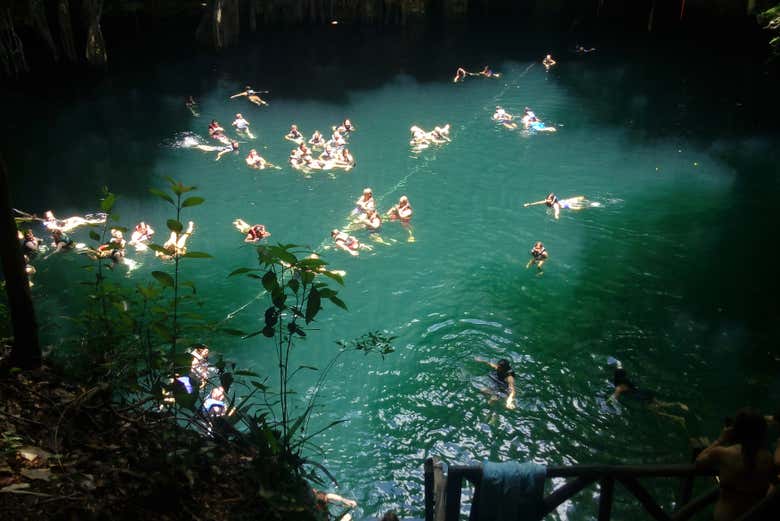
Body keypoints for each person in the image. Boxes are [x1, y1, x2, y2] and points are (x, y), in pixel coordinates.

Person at [695, 409, 774, 521]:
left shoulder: (723, 453)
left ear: (735, 430)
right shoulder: (768, 458)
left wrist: (720, 439)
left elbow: (699, 461)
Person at [609, 360, 688, 424]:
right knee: (662, 404)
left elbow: (614, 398)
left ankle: (678, 418)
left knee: (656, 412)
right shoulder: (624, 378)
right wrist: (618, 362)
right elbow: (619, 365)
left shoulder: (619, 387)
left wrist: (609, 401)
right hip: (644, 392)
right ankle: (679, 403)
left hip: (641, 397)